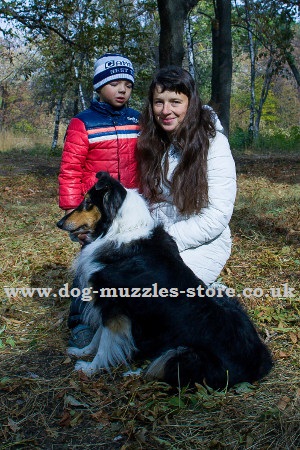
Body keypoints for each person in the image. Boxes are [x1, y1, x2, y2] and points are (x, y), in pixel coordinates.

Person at [58, 53, 140, 347]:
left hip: (126, 210)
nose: (122, 90)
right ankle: (81, 321)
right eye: (115, 83)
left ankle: (121, 318)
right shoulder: (83, 123)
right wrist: (72, 208)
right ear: (99, 86)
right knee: (89, 264)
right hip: (94, 212)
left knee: (126, 264)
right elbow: (70, 168)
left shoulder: (137, 120)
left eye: (128, 85)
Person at [136, 66, 236, 286]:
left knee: (154, 291)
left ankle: (213, 296)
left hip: (201, 242)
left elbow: (217, 215)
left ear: (190, 104)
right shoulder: (152, 143)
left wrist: (163, 240)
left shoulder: (213, 144)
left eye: (175, 101)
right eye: (158, 102)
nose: (165, 110)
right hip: (156, 239)